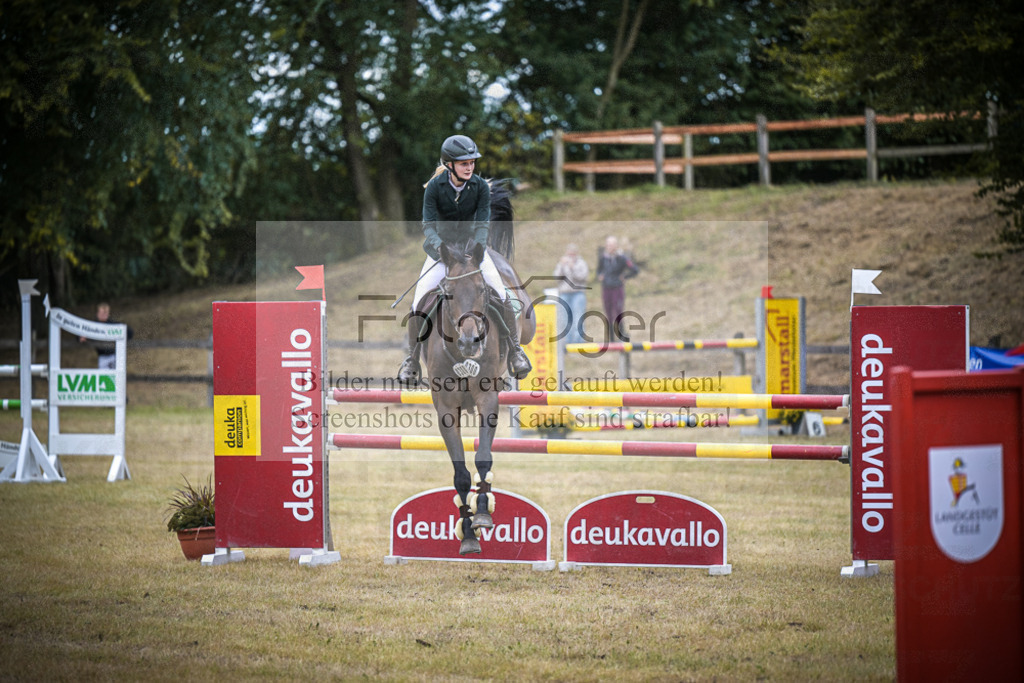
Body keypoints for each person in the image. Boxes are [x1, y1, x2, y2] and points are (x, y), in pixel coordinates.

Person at [396, 134, 532, 383]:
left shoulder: (479, 186)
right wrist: (441, 250)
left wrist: (478, 249)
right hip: (441, 254)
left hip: (473, 254)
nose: (469, 167)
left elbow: (482, 223)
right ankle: (412, 360)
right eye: (463, 163)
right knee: (417, 304)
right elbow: (428, 224)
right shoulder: (435, 188)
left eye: (471, 162)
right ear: (449, 165)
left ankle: (515, 351)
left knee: (501, 294)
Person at [595, 236, 638, 342]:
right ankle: (611, 338)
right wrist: (600, 276)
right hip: (606, 288)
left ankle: (621, 335)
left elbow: (635, 270)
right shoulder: (603, 258)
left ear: (616, 246)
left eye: (611, 245)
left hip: (617, 288)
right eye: (608, 245)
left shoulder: (621, 258)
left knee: (618, 311)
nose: (609, 247)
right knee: (608, 311)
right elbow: (598, 270)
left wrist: (625, 277)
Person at [552, 243, 589, 345]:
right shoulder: (562, 264)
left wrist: (573, 268)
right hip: (565, 294)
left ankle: (578, 341)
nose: (570, 256)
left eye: (572, 254)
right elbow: (556, 276)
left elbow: (583, 277)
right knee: (566, 317)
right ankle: (567, 342)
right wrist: (562, 266)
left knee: (578, 317)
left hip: (578, 294)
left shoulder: (581, 263)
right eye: (569, 253)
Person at [79, 302, 133, 369]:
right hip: (102, 357)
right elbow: (80, 333)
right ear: (97, 313)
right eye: (102, 313)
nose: (104, 315)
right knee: (103, 377)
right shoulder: (92, 326)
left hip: (115, 356)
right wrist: (81, 337)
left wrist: (123, 341)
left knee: (116, 377)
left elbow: (129, 332)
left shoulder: (113, 324)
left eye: (106, 312)